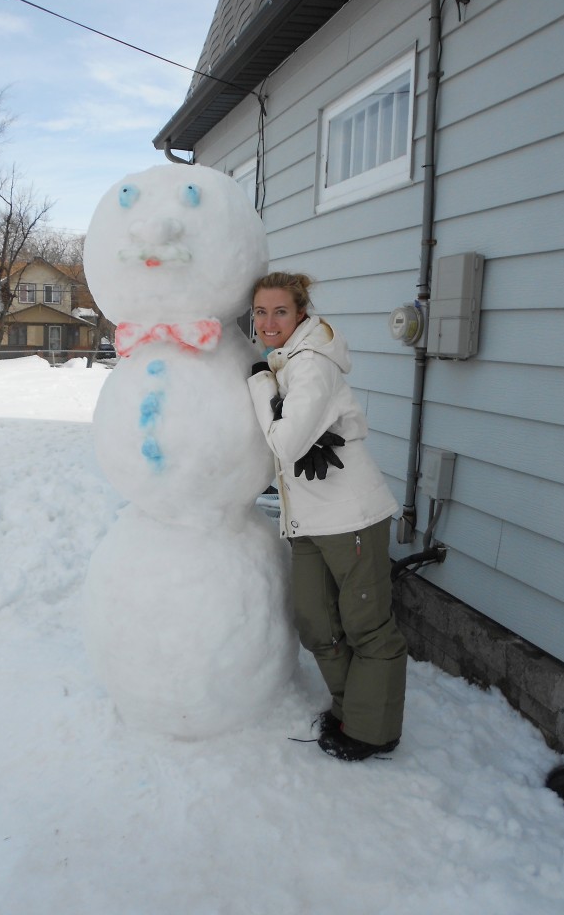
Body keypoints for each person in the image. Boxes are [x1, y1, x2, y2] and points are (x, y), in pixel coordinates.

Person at [247, 272, 407, 761]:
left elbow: (284, 442)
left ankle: (372, 731)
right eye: (259, 312)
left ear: (300, 314)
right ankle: (351, 709)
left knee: (366, 625)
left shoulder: (311, 364)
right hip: (310, 519)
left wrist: (259, 385)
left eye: (279, 311)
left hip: (351, 517)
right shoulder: (289, 362)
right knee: (316, 620)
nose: (268, 321)